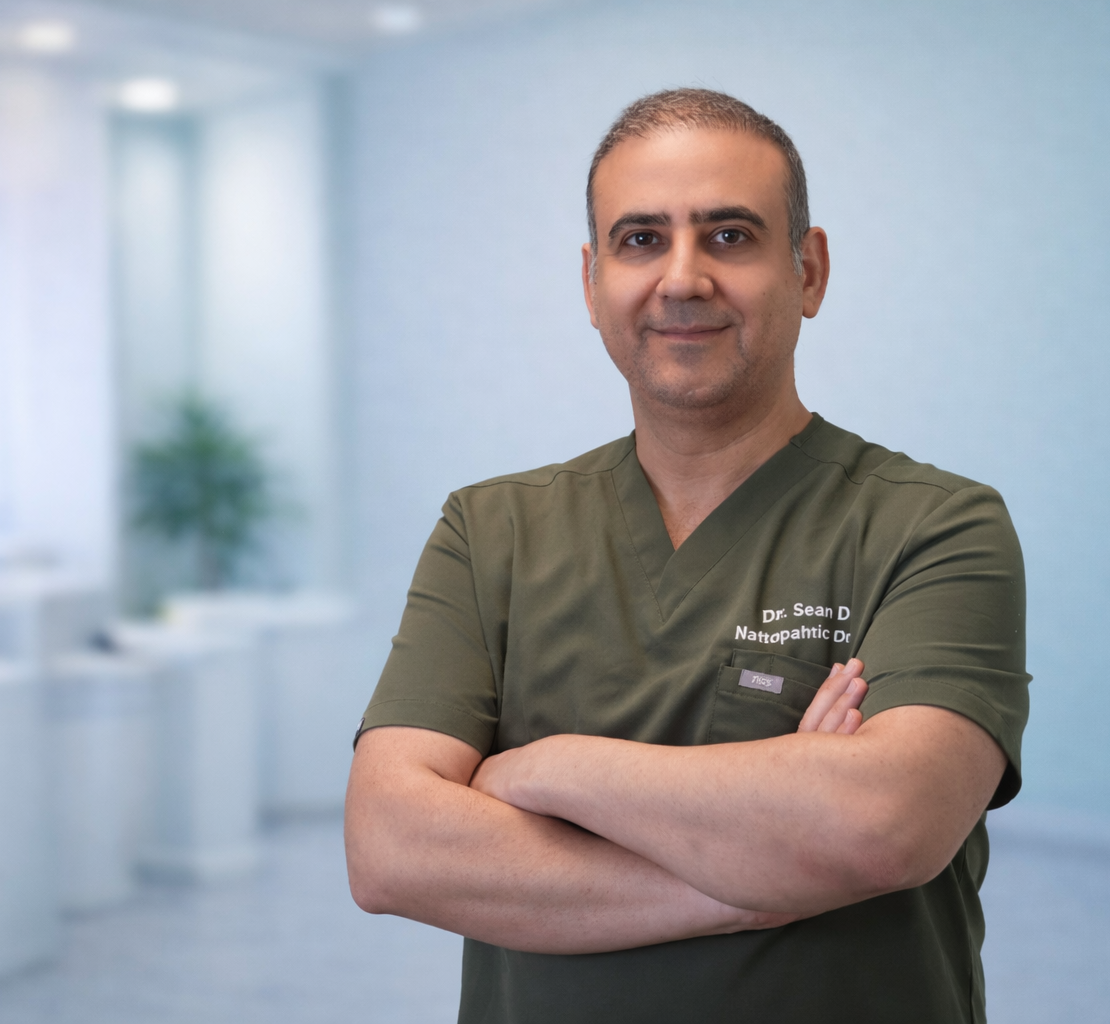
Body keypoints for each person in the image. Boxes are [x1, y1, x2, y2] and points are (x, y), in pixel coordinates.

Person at [345, 88, 1030, 1024]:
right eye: (640, 240)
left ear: (810, 271)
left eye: (730, 236)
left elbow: (882, 826)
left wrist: (545, 769)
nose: (682, 277)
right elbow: (390, 849)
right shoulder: (488, 532)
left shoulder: (934, 526)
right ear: (593, 284)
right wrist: (769, 872)